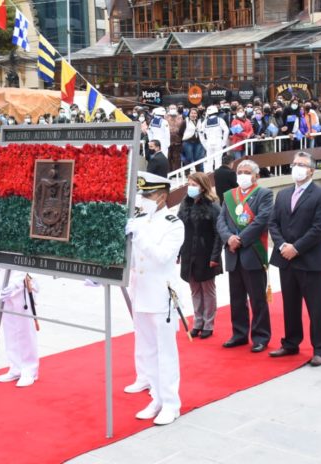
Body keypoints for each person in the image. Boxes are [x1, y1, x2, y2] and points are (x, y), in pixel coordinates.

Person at [125, 172, 184, 426]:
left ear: (161, 196)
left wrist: (140, 236)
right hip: (140, 293)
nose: (143, 199)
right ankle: (157, 398)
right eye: (142, 195)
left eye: (147, 194)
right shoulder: (140, 220)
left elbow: (161, 257)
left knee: (165, 352)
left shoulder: (173, 224)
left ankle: (171, 403)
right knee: (148, 349)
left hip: (161, 296)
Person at [268, 152, 321, 366]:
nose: (297, 167)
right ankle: (290, 343)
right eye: (294, 164)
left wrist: (296, 248)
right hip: (285, 259)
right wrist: (282, 245)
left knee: (316, 307)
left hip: (310, 261)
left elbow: (319, 228)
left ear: (311, 170)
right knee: (290, 305)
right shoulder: (284, 194)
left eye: (302, 165)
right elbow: (273, 223)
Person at [216, 160, 273, 351]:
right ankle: (239, 334)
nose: (242, 175)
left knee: (257, 299)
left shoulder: (264, 194)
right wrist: (229, 238)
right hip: (233, 254)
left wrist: (240, 239)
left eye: (247, 172)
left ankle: (260, 337)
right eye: (240, 171)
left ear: (255, 175)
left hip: (252, 252)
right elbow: (221, 221)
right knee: (236, 299)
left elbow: (262, 220)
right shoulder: (229, 196)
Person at [178, 172, 222, 339]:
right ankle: (198, 321)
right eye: (189, 184)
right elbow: (179, 230)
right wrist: (179, 252)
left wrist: (215, 257)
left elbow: (219, 234)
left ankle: (208, 324)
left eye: (194, 184)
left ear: (203, 186)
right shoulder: (185, 204)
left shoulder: (213, 206)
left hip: (207, 254)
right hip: (189, 253)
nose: (191, 187)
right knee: (194, 289)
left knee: (207, 289)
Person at [0, 270, 40, 387]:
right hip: (4, 281)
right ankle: (16, 367)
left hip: (22, 283)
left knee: (25, 330)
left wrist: (15, 284)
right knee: (9, 329)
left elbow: (28, 261)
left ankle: (29, 370)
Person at [201, 105, 229, 172]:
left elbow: (201, 133)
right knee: (218, 160)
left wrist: (204, 143)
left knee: (209, 160)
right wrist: (224, 142)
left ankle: (209, 175)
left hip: (209, 142)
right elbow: (226, 130)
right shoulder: (220, 120)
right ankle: (217, 175)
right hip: (218, 141)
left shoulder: (204, 122)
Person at [165, 105, 185, 172]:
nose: (172, 109)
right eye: (171, 108)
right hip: (167, 141)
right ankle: (169, 172)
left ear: (176, 109)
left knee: (177, 157)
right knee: (168, 157)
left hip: (178, 141)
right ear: (168, 109)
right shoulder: (165, 117)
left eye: (174, 108)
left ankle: (177, 172)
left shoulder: (181, 117)